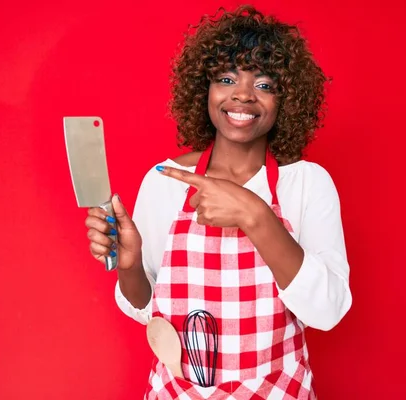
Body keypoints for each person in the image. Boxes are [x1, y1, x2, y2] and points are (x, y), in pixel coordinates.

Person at [84, 5, 352, 399]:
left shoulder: (307, 184)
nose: (242, 94)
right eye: (226, 78)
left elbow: (327, 311)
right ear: (204, 90)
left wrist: (255, 214)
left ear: (286, 99)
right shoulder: (165, 182)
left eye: (264, 84)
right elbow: (149, 309)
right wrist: (129, 266)